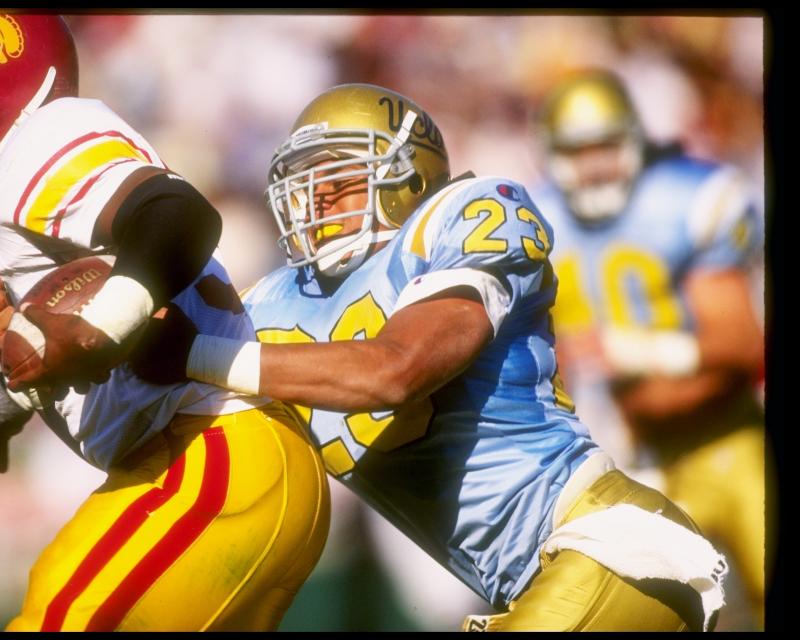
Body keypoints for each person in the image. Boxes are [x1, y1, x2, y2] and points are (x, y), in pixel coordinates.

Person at [133, 82, 730, 631]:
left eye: (338, 175)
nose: (317, 196)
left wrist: (195, 352)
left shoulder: (463, 216)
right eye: (306, 180)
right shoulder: (270, 303)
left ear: (407, 177)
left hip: (605, 542)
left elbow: (397, 370)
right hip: (523, 588)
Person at [0, 13, 329, 631]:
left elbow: (178, 217)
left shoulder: (43, 139)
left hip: (212, 455)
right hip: (217, 462)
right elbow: (89, 308)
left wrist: (103, 328)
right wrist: (11, 395)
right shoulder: (28, 174)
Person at [530, 69, 767, 627]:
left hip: (721, 440)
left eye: (606, 147)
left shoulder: (683, 199)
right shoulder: (533, 223)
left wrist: (632, 351)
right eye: (577, 151)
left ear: (635, 141)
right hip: (612, 466)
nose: (593, 166)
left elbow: (740, 341)